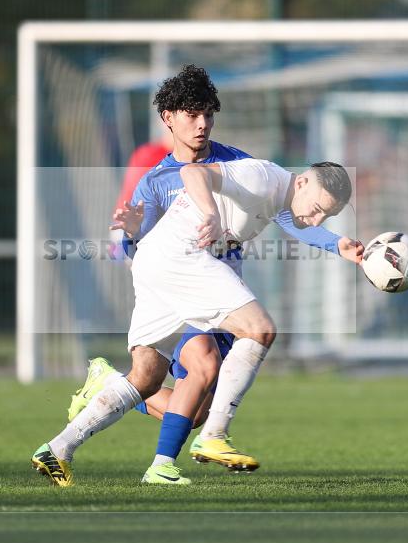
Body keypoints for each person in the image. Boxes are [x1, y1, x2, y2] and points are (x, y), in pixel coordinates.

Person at [31, 65, 361, 488]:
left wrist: (336, 244)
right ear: (168, 118)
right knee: (251, 336)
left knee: (150, 380)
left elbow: (288, 211)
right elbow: (140, 236)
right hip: (184, 269)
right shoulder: (156, 182)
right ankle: (204, 444)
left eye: (208, 114)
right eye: (191, 114)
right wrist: (133, 232)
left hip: (192, 275)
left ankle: (58, 448)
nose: (202, 123)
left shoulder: (241, 164)